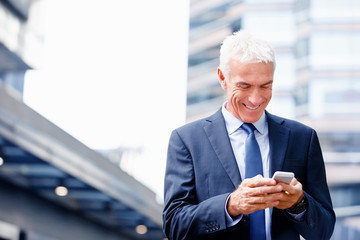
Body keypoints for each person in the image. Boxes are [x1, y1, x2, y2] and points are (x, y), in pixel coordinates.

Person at [162, 30, 335, 240]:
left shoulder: (302, 138)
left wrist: (298, 204)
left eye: (265, 86)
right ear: (222, 78)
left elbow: (324, 230)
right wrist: (231, 205)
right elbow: (174, 225)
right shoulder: (187, 140)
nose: (255, 99)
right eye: (244, 86)